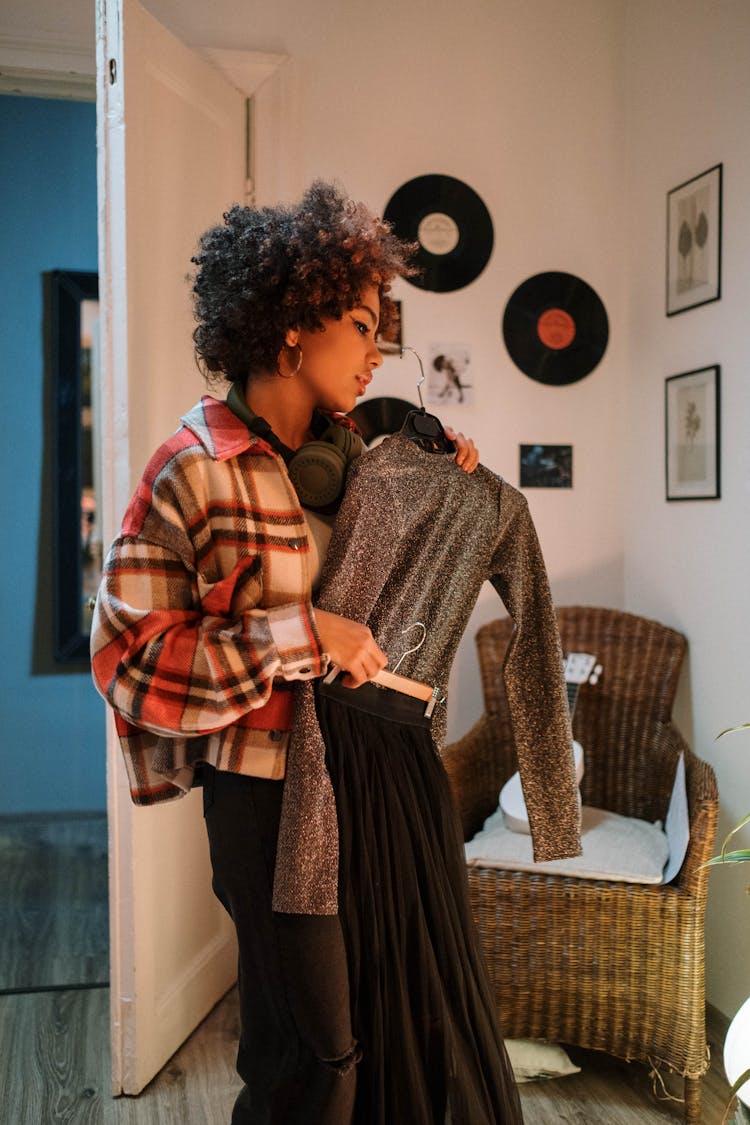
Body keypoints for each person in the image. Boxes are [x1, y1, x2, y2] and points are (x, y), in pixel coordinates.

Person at [91, 181, 528, 1124]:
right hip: (265, 794)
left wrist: (438, 479)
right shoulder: (192, 468)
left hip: (373, 782)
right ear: (293, 326)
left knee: (385, 1033)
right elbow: (128, 660)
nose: (379, 353)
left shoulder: (363, 458)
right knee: (311, 1056)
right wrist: (299, 635)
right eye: (365, 325)